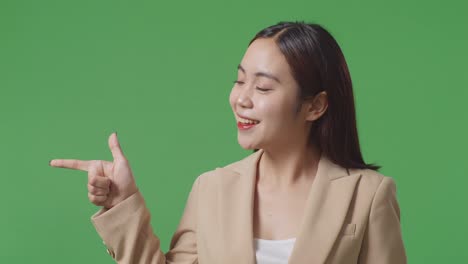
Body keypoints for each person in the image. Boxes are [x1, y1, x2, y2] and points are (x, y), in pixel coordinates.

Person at [50, 21, 407, 263]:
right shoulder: (212, 189)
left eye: (263, 87)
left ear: (316, 105)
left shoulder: (369, 194)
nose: (242, 99)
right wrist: (123, 204)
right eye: (239, 81)